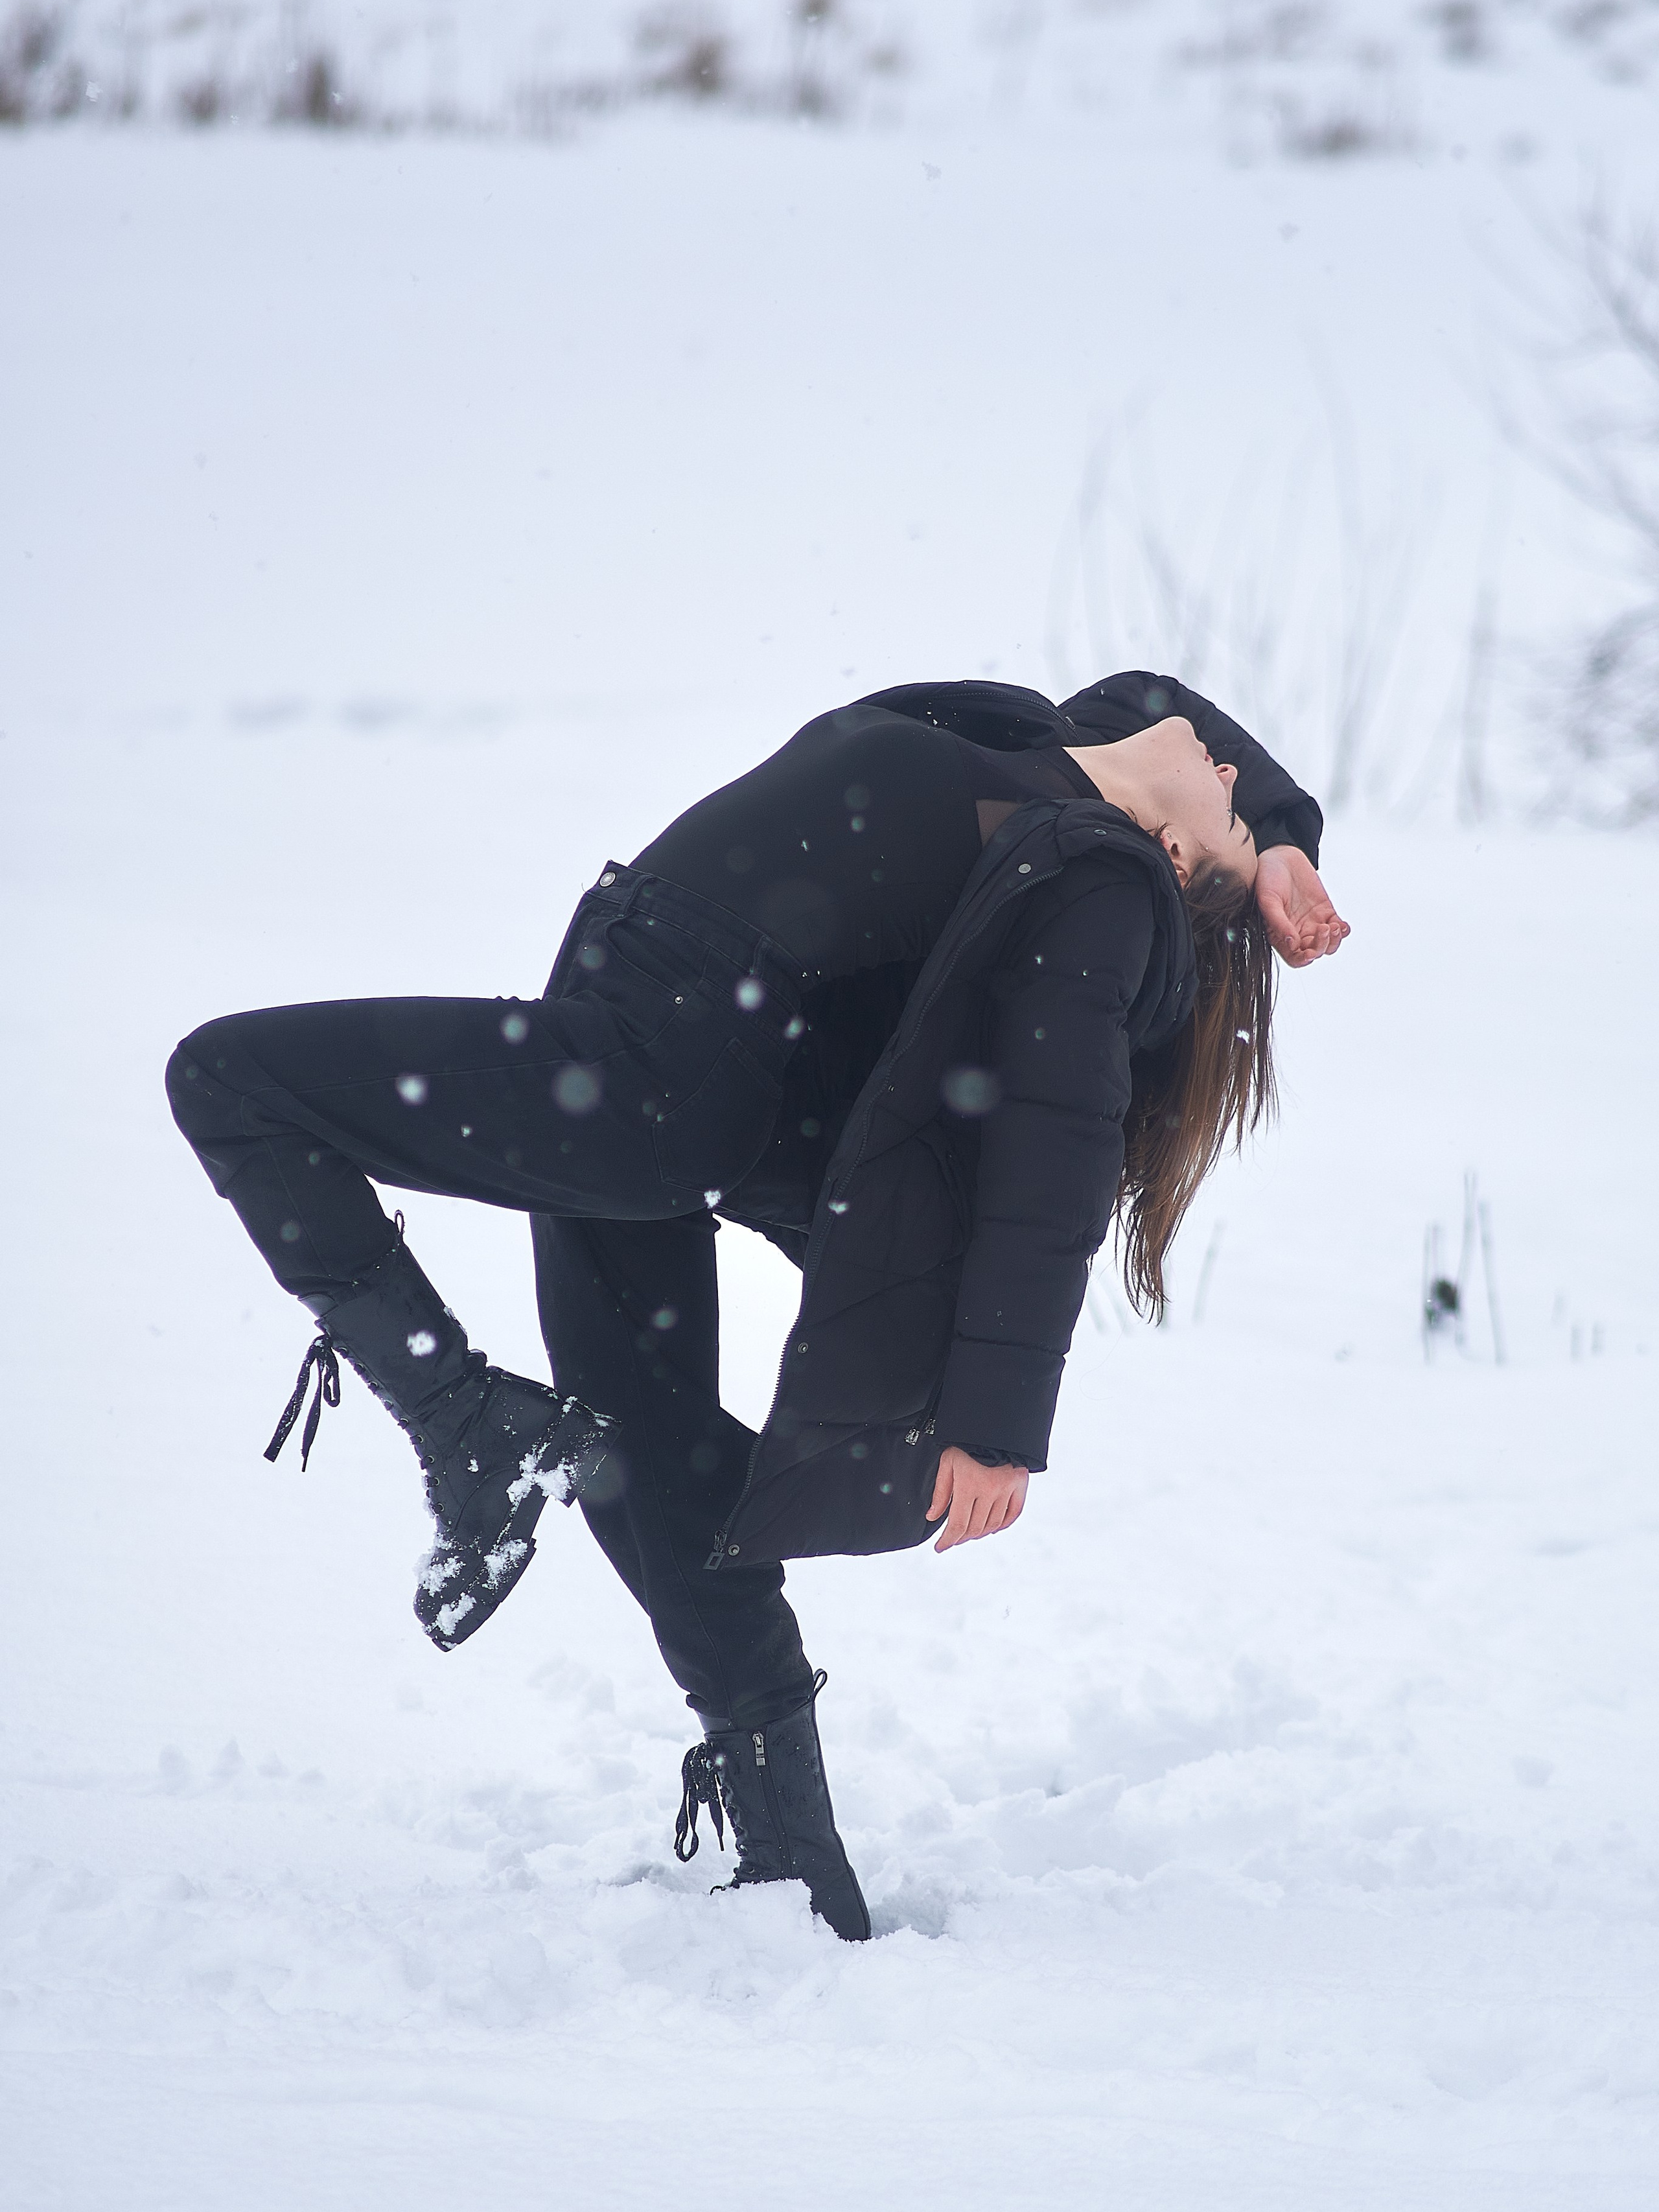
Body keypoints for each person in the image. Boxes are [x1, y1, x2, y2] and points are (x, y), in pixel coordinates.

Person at [167, 670, 1348, 1943]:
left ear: (1168, 852)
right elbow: (1159, 700)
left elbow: (1049, 1158)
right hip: (633, 1033)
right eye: (1233, 780)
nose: (1228, 768)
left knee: (230, 1079)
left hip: (650, 1082)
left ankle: (462, 1424)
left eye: (1227, 807)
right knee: (649, 1449)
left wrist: (997, 1423)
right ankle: (791, 1855)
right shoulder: (1041, 738)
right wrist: (1279, 839)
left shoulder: (1097, 884)